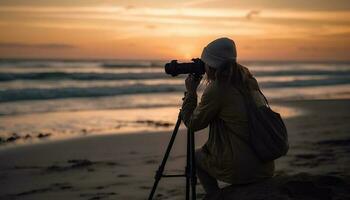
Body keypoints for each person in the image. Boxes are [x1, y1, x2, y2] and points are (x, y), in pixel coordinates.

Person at [181, 37, 274, 199]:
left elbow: (192, 124)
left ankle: (215, 196)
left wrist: (190, 93)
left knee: (194, 157)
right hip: (264, 165)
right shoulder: (247, 79)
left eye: (206, 63)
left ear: (212, 64)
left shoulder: (218, 89)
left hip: (243, 170)